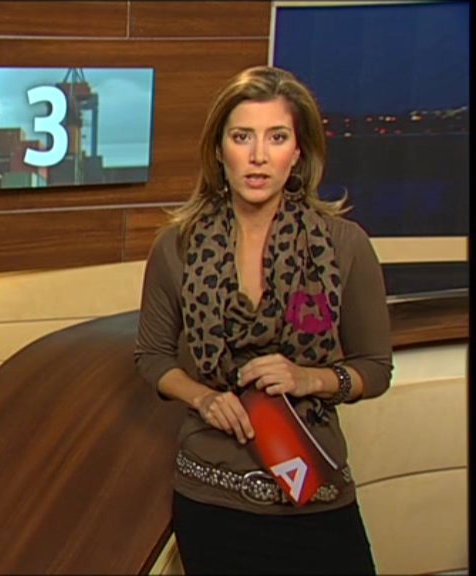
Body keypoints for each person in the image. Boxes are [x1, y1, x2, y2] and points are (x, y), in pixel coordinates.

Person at [133, 66, 393, 574]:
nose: (257, 156)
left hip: (314, 494)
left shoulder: (345, 246)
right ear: (218, 151)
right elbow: (152, 356)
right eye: (241, 137)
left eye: (276, 137)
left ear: (298, 153)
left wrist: (309, 378)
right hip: (212, 499)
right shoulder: (176, 247)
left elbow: (375, 368)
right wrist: (203, 397)